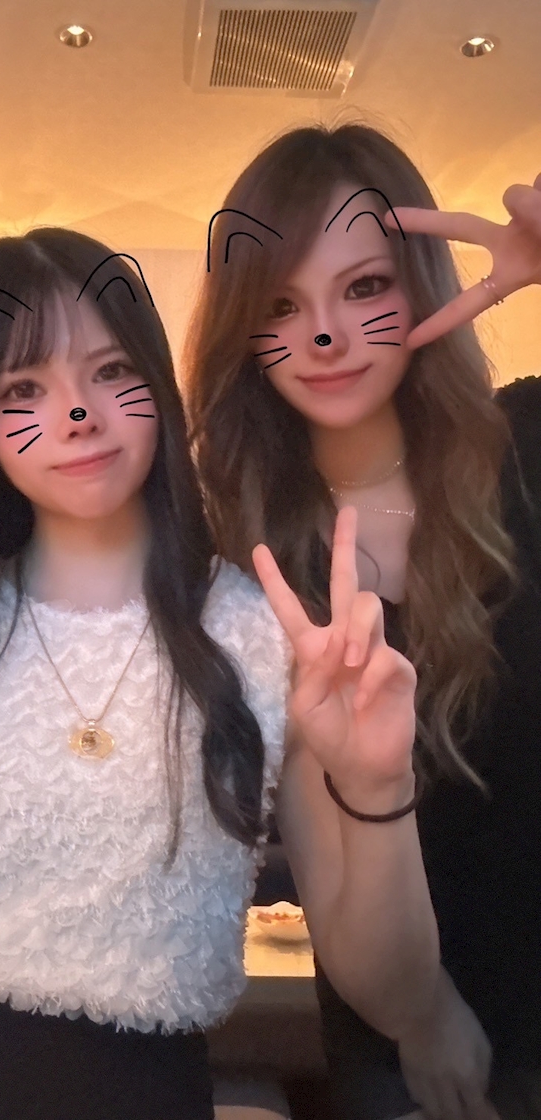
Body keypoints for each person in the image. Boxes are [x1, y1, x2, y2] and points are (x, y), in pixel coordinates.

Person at [0, 228, 436, 1120]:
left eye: (110, 372)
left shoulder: (272, 639)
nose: (77, 414)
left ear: (157, 389)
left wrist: (379, 787)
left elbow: (396, 999)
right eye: (22, 389)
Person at [185, 122, 541, 1120]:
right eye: (281, 304)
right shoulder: (249, 569)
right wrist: (423, 1014)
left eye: (366, 287)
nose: (325, 335)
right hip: (412, 1049)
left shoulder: (528, 448)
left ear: (422, 286)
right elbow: (338, 911)